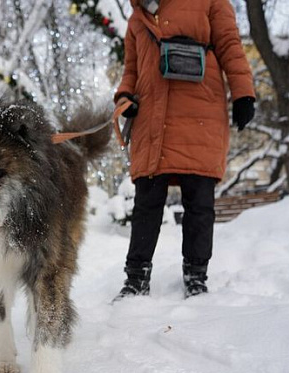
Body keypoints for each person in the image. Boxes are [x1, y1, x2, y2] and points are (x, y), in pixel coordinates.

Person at [113, 0, 256, 300]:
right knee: (146, 204)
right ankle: (136, 279)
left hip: (200, 115)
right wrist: (125, 96)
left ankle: (196, 277)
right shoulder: (137, 16)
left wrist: (243, 93)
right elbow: (131, 68)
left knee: (199, 204)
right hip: (152, 120)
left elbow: (230, 45)